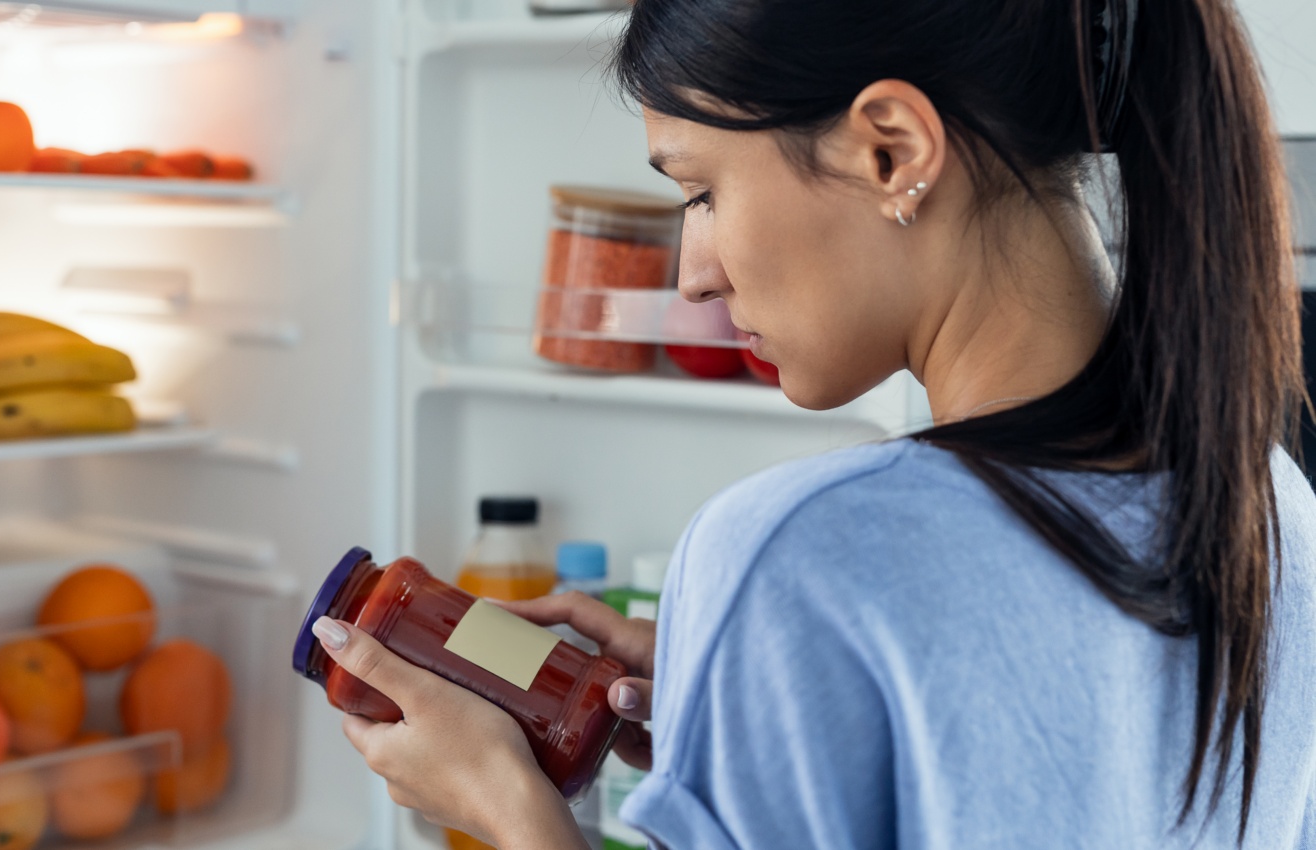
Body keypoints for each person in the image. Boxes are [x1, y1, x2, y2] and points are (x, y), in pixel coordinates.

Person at [308, 0, 1316, 846]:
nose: (694, 275)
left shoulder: (800, 549)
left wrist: (509, 808)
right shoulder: (1273, 505)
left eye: (702, 191)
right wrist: (762, 691)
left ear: (892, 151)